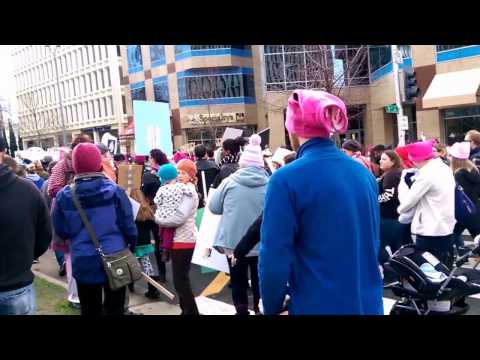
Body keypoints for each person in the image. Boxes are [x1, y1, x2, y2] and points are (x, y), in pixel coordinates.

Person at [259, 89, 383, 315]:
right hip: (367, 303)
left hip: (317, 304)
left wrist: (272, 306)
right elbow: (371, 242)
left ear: (292, 128)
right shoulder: (364, 174)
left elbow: (274, 257)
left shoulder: (285, 179)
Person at [52, 143, 137, 316]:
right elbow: (129, 226)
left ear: (75, 166)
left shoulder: (64, 196)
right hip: (116, 255)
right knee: (116, 309)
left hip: (83, 258)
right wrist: (131, 245)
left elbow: (61, 230)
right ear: (99, 163)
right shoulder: (115, 191)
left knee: (90, 309)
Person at [209, 134, 268, 315]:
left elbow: (214, 207)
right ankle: (260, 309)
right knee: (260, 280)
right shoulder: (272, 183)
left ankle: (241, 311)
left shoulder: (229, 182)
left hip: (233, 243)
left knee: (237, 280)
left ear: (243, 163)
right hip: (262, 241)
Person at [0, 137, 52, 315]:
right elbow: (44, 236)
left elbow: (44, 235)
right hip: (18, 285)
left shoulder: (28, 190)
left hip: (17, 285)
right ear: (4, 152)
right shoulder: (28, 190)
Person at [48, 133, 92, 309]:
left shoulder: (93, 165)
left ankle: (88, 294)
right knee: (72, 258)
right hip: (70, 215)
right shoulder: (61, 166)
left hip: (89, 216)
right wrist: (73, 193)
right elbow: (53, 189)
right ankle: (75, 296)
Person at [397, 140, 456, 266]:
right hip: (446, 226)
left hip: (429, 229)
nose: (412, 163)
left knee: (429, 269)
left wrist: (403, 182)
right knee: (444, 266)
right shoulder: (444, 168)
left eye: (412, 159)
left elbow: (407, 203)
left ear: (418, 159)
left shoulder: (427, 174)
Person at [154, 159, 200, 315]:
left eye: (184, 173)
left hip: (184, 239)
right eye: (178, 172)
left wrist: (159, 219)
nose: (180, 175)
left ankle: (190, 311)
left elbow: (178, 218)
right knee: (180, 279)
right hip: (179, 239)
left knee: (180, 280)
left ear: (191, 176)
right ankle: (186, 310)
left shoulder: (188, 192)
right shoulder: (178, 189)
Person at [377, 150, 411, 270]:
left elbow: (388, 195)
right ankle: (402, 271)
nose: (380, 161)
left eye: (384, 159)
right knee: (398, 247)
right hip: (397, 216)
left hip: (388, 217)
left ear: (393, 161)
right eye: (381, 158)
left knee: (378, 246)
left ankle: (391, 270)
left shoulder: (391, 175)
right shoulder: (397, 173)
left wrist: (373, 200)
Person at [129, 188, 165, 299]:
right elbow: (154, 226)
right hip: (146, 244)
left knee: (130, 267)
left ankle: (131, 286)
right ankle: (153, 291)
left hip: (133, 245)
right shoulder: (147, 211)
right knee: (148, 268)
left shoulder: (129, 211)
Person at [447, 141, 480, 250]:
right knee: (477, 239)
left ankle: (442, 262)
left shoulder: (458, 174)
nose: (449, 157)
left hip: (462, 212)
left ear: (455, 158)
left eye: (451, 155)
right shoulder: (473, 170)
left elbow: (457, 195)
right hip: (474, 210)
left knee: (448, 240)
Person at [194, 144, 219, 208]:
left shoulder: (192, 167)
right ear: (206, 153)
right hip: (213, 196)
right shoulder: (214, 166)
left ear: (195, 154)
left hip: (198, 198)